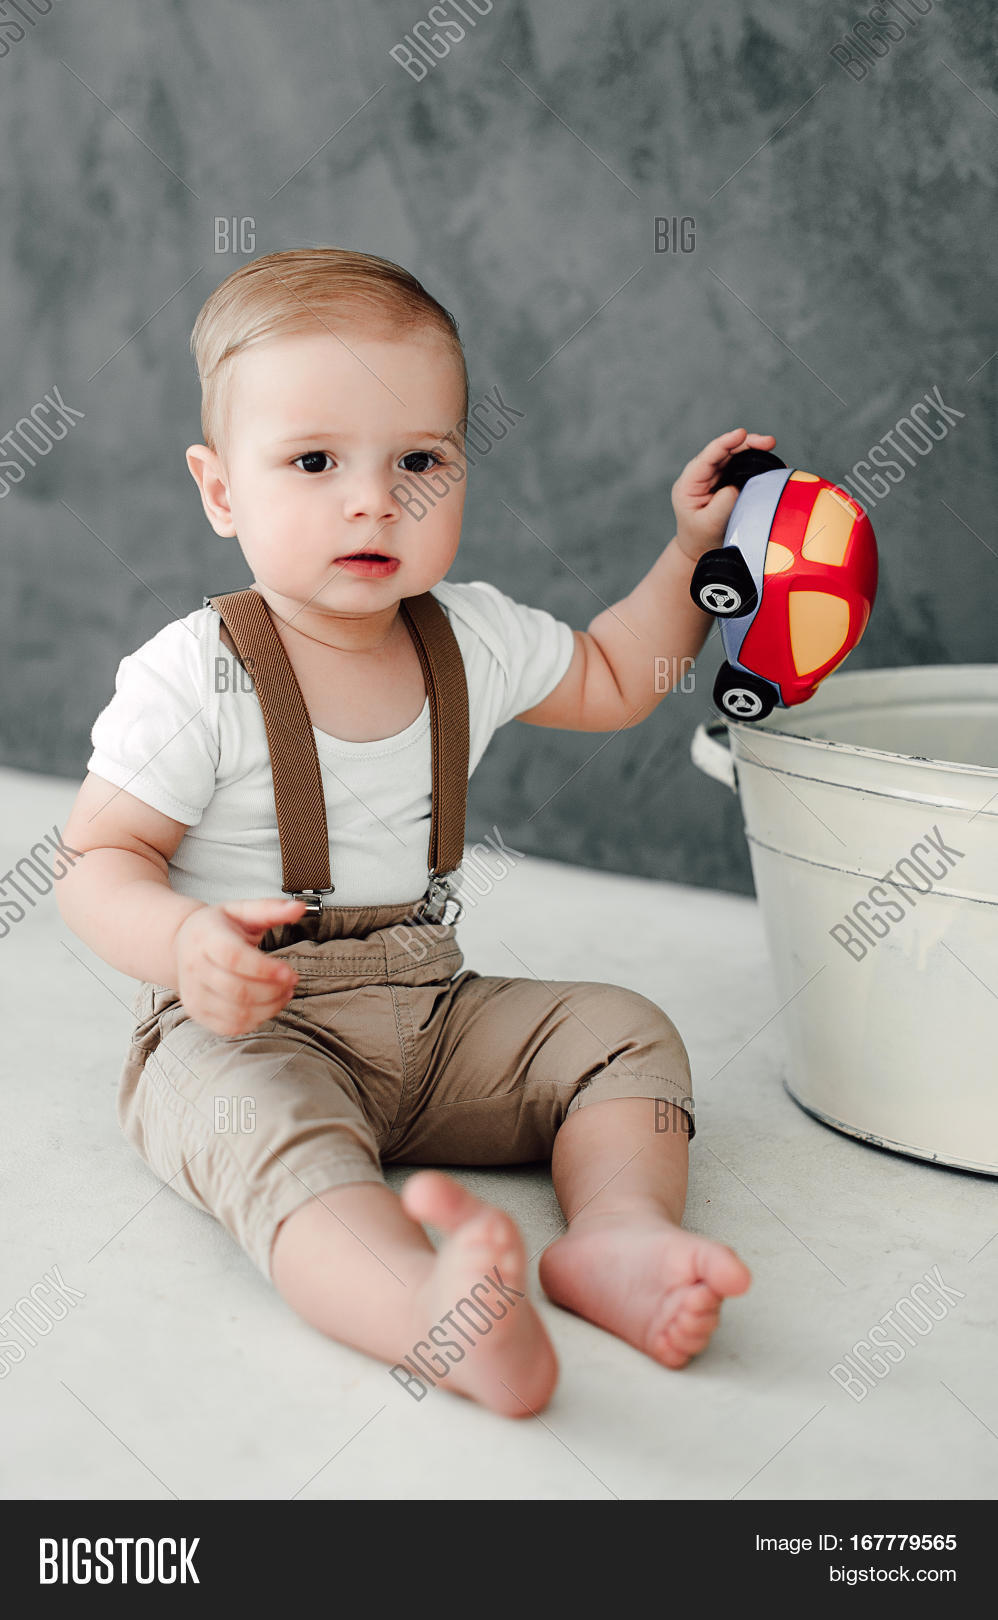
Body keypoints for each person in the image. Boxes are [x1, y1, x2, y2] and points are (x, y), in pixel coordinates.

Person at [57, 248, 761, 1418]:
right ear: (221, 489)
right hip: (247, 1024)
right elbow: (97, 862)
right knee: (280, 1148)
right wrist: (184, 943)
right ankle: (429, 1314)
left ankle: (617, 1235)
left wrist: (691, 560)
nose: (372, 498)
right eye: (315, 461)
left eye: (419, 461)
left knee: (621, 1033)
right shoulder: (196, 672)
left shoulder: (468, 636)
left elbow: (612, 676)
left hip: (429, 1013)